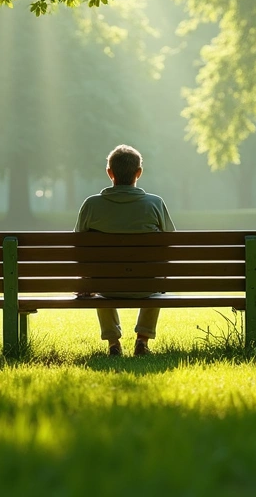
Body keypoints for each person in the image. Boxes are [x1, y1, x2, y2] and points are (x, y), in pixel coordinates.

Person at [74, 144, 176, 356]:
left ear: (109, 173)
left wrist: (85, 279)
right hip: (148, 285)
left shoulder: (91, 205)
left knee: (99, 274)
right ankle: (142, 340)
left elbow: (77, 247)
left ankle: (113, 342)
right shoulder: (155, 203)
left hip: (104, 286)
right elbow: (171, 243)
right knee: (155, 275)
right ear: (138, 173)